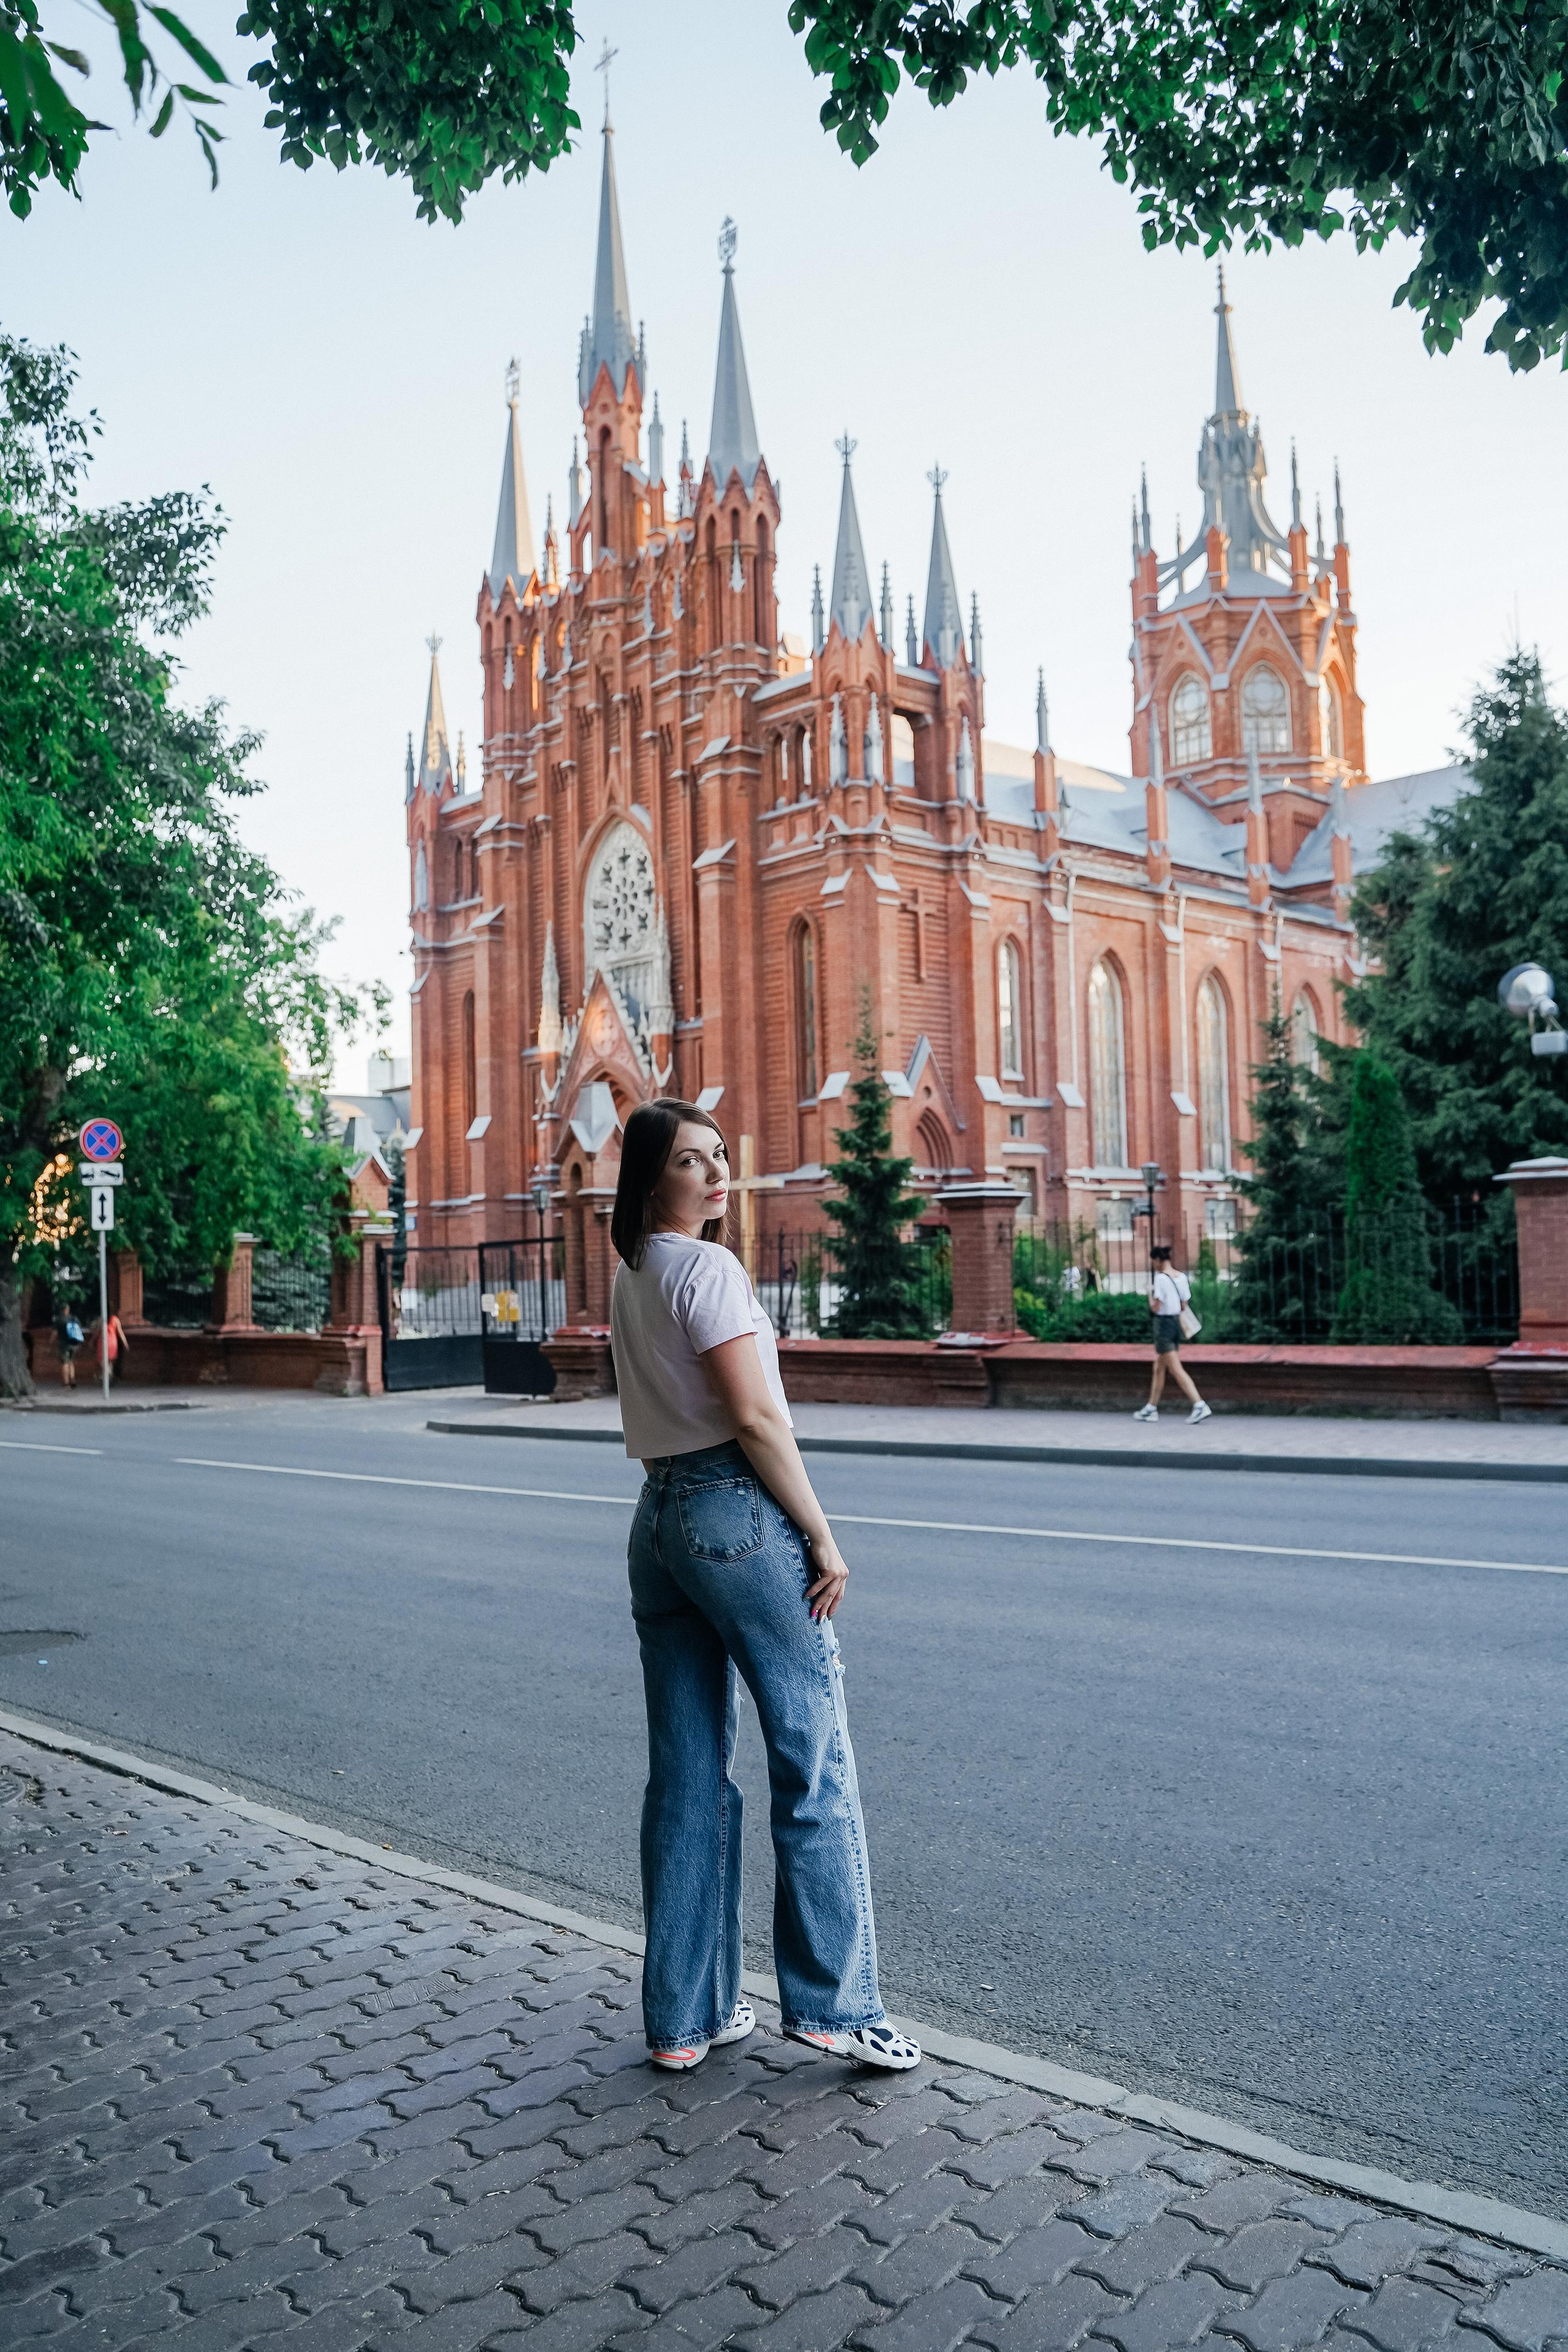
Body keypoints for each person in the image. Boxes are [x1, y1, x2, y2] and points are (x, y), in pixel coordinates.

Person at [609, 1099, 921, 2078]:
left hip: (657, 1522)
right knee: (812, 1750)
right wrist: (821, 1533)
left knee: (688, 1770)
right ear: (653, 1177)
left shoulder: (632, 1271)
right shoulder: (707, 1269)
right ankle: (837, 2006)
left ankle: (684, 2017)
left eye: (720, 1158)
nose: (716, 1175)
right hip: (734, 1514)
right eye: (693, 1162)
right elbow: (756, 1419)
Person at [1134, 1243, 1211, 1424]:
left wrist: (1149, 1295)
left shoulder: (1160, 1279)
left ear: (1158, 1260)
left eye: (1153, 1261)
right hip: (1176, 1324)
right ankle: (1151, 1408)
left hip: (1163, 1326)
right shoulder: (1182, 1277)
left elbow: (1156, 1307)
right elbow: (1183, 1305)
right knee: (1159, 1368)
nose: (1153, 1265)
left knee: (1176, 1369)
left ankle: (1199, 1405)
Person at [90, 1308, 129, 1387]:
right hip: (113, 1342)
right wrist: (125, 1343)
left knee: (103, 1362)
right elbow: (120, 1332)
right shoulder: (115, 1319)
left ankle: (106, 1378)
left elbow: (97, 1332)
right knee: (109, 1362)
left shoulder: (101, 1320)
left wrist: (92, 1341)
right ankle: (109, 1377)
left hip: (103, 1342)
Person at [56, 1306, 84, 1389]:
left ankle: (66, 1382)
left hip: (64, 1345)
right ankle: (73, 1379)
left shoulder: (60, 1320)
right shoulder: (74, 1318)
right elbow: (79, 1329)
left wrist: (51, 1341)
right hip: (74, 1344)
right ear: (68, 1310)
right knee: (71, 1362)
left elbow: (55, 1332)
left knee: (65, 1362)